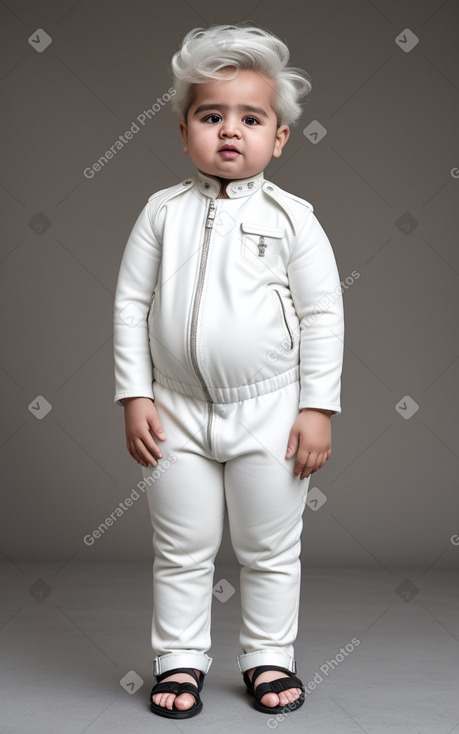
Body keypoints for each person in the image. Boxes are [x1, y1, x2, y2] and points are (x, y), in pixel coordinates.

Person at [113, 23, 344, 719]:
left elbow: (323, 317)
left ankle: (267, 656)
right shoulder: (161, 213)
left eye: (251, 118)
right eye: (211, 117)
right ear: (185, 131)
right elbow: (131, 303)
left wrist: (316, 408)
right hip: (174, 408)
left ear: (278, 138)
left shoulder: (293, 219)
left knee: (269, 548)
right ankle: (178, 661)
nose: (229, 131)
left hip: (270, 410)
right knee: (180, 547)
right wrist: (134, 394)